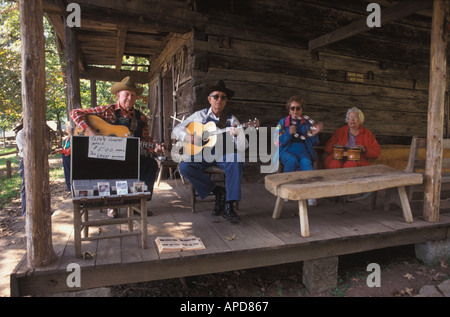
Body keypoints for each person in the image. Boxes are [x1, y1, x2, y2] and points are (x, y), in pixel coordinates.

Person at [71, 76, 163, 218]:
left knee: (150, 165)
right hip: (107, 155)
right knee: (111, 167)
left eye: (133, 95)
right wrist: (89, 131)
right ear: (118, 95)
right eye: (126, 94)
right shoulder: (107, 111)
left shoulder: (141, 118)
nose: (130, 98)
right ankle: (112, 205)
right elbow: (75, 113)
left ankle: (137, 202)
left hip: (130, 156)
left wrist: (154, 147)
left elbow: (145, 139)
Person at [172, 80, 247, 223]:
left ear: (226, 101)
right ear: (209, 99)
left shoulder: (232, 120)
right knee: (185, 167)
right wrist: (188, 136)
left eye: (223, 97)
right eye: (216, 96)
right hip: (203, 154)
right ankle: (218, 192)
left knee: (236, 159)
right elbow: (177, 129)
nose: (219, 99)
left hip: (224, 154)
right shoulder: (199, 116)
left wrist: (237, 135)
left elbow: (244, 146)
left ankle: (228, 205)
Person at [273, 95, 323, 206]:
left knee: (306, 161)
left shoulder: (308, 123)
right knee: (291, 160)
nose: (295, 110)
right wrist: (288, 133)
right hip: (286, 150)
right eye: (292, 108)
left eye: (298, 108)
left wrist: (314, 134)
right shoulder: (282, 123)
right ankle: (286, 191)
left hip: (303, 150)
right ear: (289, 109)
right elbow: (276, 141)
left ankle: (310, 194)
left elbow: (314, 142)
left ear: (302, 109)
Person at [56, 123, 71, 192]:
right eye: (67, 129)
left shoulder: (72, 139)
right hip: (65, 157)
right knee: (67, 173)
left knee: (71, 172)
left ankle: (72, 188)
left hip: (70, 156)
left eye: (68, 129)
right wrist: (61, 151)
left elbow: (70, 150)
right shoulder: (66, 139)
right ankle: (69, 188)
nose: (67, 130)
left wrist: (63, 151)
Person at [16, 128, 26, 216]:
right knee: (26, 186)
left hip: (36, 160)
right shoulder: (21, 134)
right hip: (25, 161)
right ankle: (25, 211)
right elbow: (25, 149)